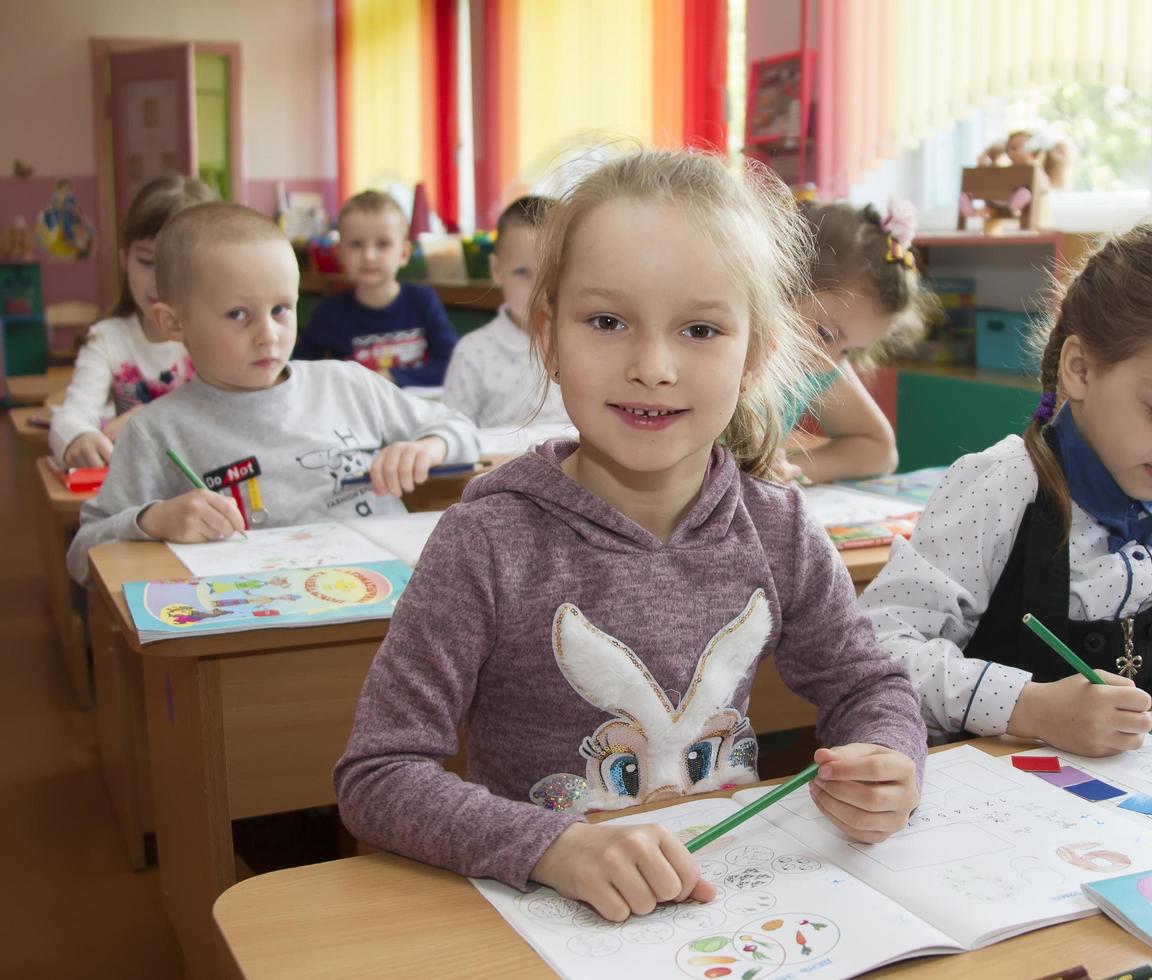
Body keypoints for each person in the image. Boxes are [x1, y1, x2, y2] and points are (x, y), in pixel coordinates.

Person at [334, 150, 927, 921]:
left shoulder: (776, 528)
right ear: (548, 338)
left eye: (700, 329)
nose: (652, 365)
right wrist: (551, 846)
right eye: (607, 322)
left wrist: (889, 758)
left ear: (756, 355)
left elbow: (869, 685)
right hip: (547, 925)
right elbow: (376, 775)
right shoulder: (486, 541)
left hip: (726, 914)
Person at [859, 222, 1152, 762]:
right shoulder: (1002, 487)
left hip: (1142, 801)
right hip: (997, 800)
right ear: (1079, 369)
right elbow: (882, 650)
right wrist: (1029, 706)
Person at [65, 203, 478, 583]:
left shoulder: (348, 384)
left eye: (281, 309)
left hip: (390, 608)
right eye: (238, 314)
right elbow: (83, 555)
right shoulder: (154, 432)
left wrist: (431, 447)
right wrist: (153, 520)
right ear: (174, 323)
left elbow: (462, 432)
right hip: (261, 626)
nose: (268, 336)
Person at [49, 176, 216, 467]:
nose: (159, 280)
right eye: (147, 262)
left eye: (177, 266)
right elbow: (72, 415)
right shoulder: (107, 339)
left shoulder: (219, 335)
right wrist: (79, 438)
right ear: (124, 260)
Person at [777, 200, 936, 484]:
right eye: (824, 334)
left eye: (849, 350)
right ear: (782, 281)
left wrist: (782, 468)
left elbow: (879, 451)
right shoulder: (719, 353)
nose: (829, 362)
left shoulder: (819, 362)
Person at [293, 190, 459, 386]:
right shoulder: (329, 314)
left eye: (383, 244)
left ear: (404, 253)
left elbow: (453, 367)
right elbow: (300, 373)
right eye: (356, 244)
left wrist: (392, 376)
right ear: (340, 253)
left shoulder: (422, 301)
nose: (369, 256)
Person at [442, 195, 570, 427]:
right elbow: (452, 433)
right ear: (496, 269)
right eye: (522, 272)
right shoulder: (473, 353)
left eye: (551, 273)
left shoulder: (589, 342)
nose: (539, 290)